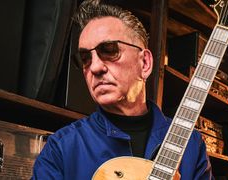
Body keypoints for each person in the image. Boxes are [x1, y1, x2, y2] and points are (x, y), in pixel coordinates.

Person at [32, 0, 213, 179]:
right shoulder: (61, 148)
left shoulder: (191, 144)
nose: (95, 67)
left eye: (109, 50)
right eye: (85, 58)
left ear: (145, 63)